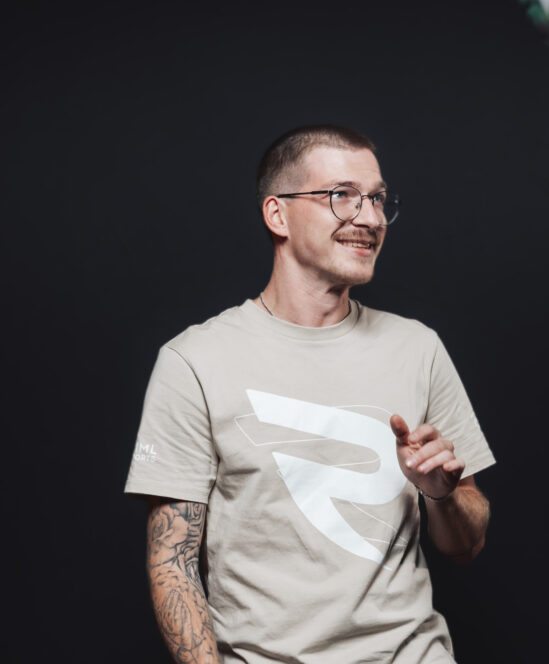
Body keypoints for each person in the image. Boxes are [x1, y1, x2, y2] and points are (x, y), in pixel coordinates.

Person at [125, 125, 495, 664]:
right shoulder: (194, 362)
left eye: (378, 199)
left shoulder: (419, 348)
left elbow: (468, 544)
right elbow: (172, 564)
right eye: (342, 196)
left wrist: (441, 494)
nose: (368, 219)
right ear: (277, 215)